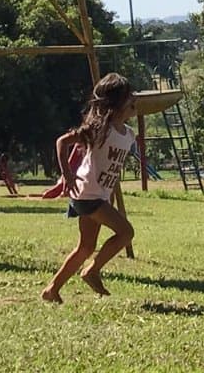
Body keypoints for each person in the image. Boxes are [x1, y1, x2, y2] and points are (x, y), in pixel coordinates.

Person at [41, 73, 137, 303]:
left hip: (98, 196)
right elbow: (62, 142)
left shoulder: (129, 134)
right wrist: (67, 175)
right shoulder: (99, 129)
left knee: (85, 247)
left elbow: (111, 170)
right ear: (117, 102)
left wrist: (109, 197)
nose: (134, 98)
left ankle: (51, 290)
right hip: (86, 194)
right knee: (126, 232)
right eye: (128, 96)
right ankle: (91, 271)